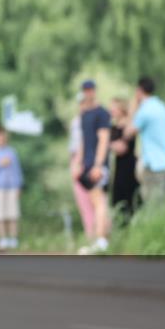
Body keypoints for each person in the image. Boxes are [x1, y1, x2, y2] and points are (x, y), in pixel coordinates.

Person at [124, 77, 165, 203]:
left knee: (151, 202)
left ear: (139, 91)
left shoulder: (145, 110)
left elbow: (128, 133)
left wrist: (132, 109)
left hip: (151, 163)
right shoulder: (163, 107)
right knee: (163, 201)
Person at [76, 80, 111, 254]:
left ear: (94, 91)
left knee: (99, 201)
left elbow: (104, 139)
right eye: (85, 90)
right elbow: (84, 140)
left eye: (90, 90)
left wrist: (98, 164)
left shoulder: (102, 113)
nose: (88, 93)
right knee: (97, 201)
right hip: (87, 164)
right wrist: (79, 162)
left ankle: (101, 240)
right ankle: (104, 238)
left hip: (98, 164)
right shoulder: (84, 114)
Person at [0, 126, 23, 250]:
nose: (0, 138)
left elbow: (17, 169)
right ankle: (3, 238)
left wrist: (19, 185)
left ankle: (13, 238)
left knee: (12, 214)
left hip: (12, 186)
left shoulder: (12, 151)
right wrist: (0, 164)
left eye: (2, 135)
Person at [69, 96, 96, 240]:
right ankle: (90, 235)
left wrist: (78, 163)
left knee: (95, 202)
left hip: (87, 163)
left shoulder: (93, 122)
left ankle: (97, 236)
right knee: (83, 203)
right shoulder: (76, 121)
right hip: (76, 161)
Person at [108, 97, 139, 222]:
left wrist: (107, 144)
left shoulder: (129, 126)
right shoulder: (112, 127)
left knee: (129, 198)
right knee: (117, 199)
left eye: (114, 108)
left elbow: (121, 148)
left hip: (129, 166)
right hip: (119, 167)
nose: (112, 111)